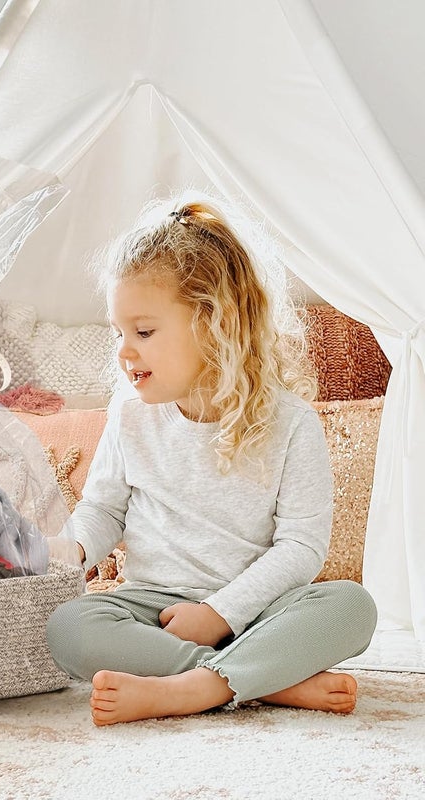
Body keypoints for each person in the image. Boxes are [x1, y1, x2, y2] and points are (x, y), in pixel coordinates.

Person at [46, 196, 377, 726]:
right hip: (157, 612)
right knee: (69, 627)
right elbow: (104, 509)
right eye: (118, 333)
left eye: (144, 332)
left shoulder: (291, 423)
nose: (124, 352)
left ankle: (190, 689)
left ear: (213, 322)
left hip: (259, 613)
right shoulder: (130, 415)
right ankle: (267, 682)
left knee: (352, 607)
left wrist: (219, 613)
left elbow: (301, 548)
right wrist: (72, 548)